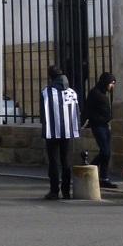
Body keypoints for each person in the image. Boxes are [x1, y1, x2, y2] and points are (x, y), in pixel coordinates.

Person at [41, 65, 81, 199]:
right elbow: (76, 112)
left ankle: (54, 191)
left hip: (51, 131)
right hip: (68, 131)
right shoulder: (72, 92)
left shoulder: (46, 92)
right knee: (66, 161)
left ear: (51, 76)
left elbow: (43, 114)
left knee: (53, 162)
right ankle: (66, 191)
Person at [83, 72, 117, 189]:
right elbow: (88, 110)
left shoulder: (102, 93)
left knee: (107, 153)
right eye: (112, 83)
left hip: (105, 125)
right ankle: (90, 168)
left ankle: (104, 178)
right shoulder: (95, 93)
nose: (112, 86)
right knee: (105, 151)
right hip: (98, 126)